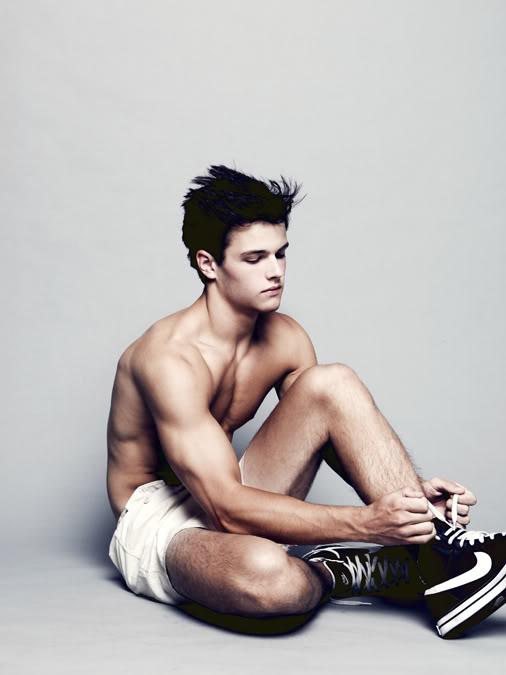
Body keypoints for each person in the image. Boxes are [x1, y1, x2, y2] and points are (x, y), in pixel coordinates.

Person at [107, 165, 506, 639]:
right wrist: (368, 525)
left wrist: (411, 498)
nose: (275, 271)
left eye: (280, 253)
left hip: (225, 485)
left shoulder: (285, 338)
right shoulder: (169, 359)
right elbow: (225, 508)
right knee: (272, 578)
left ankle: (440, 551)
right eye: (254, 258)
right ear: (208, 264)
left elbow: (335, 432)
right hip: (159, 520)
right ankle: (341, 570)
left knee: (332, 383)